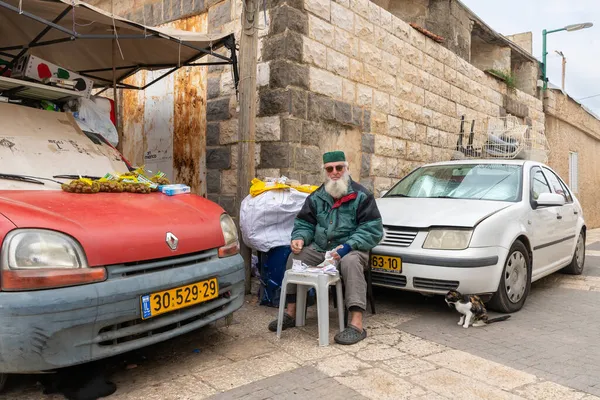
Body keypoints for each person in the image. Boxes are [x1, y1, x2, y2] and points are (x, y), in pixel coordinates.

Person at [267, 150, 384, 345]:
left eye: (339, 167)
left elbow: (372, 229)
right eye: (330, 169)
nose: (335, 172)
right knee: (295, 258)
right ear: (325, 171)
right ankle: (292, 312)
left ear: (346, 168)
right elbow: (304, 224)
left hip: (352, 248)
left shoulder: (362, 195)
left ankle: (356, 323)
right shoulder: (316, 197)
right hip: (322, 248)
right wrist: (299, 238)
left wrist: (348, 246)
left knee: (351, 262)